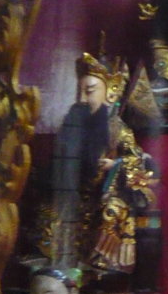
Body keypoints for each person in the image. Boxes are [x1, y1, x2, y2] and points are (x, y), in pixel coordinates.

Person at [45, 51, 158, 275]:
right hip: (77, 194)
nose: (82, 99)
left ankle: (102, 265)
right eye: (79, 92)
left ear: (110, 93)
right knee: (49, 212)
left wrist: (115, 165)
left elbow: (136, 160)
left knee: (112, 210)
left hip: (107, 194)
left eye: (89, 91)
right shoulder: (73, 126)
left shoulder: (120, 131)